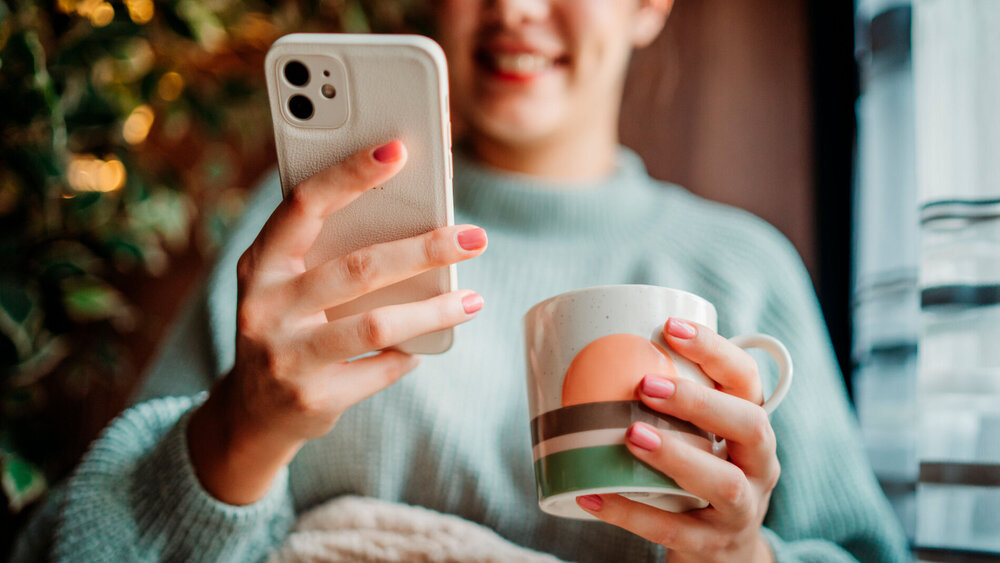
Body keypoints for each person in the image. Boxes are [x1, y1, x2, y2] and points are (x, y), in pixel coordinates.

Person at [13, 1, 910, 561]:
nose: (514, 9)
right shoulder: (295, 239)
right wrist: (238, 434)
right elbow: (60, 549)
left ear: (650, 5)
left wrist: (742, 555)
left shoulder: (741, 272)